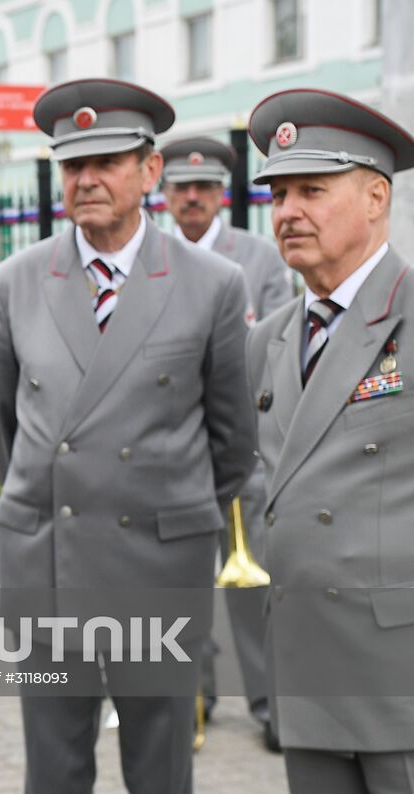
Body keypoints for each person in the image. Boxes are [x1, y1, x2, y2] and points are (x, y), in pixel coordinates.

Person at [0, 78, 256, 794]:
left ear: (150, 170)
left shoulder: (213, 283)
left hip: (159, 568)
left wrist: (163, 504)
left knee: (161, 770)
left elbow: (232, 442)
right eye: (73, 165)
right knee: (54, 772)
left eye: (106, 162)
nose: (87, 180)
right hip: (49, 566)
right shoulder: (14, 282)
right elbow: (7, 432)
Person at [244, 88, 414, 793]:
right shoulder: (269, 340)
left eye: (312, 190)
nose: (288, 212)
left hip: (408, 683)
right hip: (308, 674)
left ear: (376, 197)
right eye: (278, 194)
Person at [161, 134, 292, 751]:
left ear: (221, 193)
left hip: (243, 447)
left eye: (205, 187)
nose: (193, 197)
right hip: (172, 452)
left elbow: (276, 348)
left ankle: (270, 706)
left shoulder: (259, 258)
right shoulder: (147, 257)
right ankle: (196, 699)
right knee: (180, 585)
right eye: (182, 188)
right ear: (164, 193)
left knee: (254, 582)